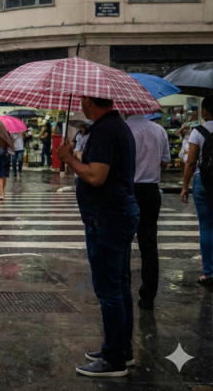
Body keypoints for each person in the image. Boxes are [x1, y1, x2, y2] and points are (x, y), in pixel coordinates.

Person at [57, 96, 139, 377]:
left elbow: (96, 176)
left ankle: (114, 358)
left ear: (90, 100)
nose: (80, 102)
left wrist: (69, 159)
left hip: (107, 218)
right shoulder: (117, 126)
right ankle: (121, 349)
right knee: (120, 285)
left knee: (109, 289)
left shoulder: (105, 130)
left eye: (83, 98)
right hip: (118, 214)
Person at [125, 114, 170, 310]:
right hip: (151, 191)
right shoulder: (159, 130)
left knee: (124, 243)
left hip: (128, 190)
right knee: (149, 244)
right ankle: (148, 296)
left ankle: (123, 290)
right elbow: (165, 162)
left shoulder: (123, 129)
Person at [181, 97, 213, 285]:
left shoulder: (198, 132)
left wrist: (185, 186)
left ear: (205, 111)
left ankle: (209, 272)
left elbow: (191, 162)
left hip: (204, 181)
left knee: (207, 226)